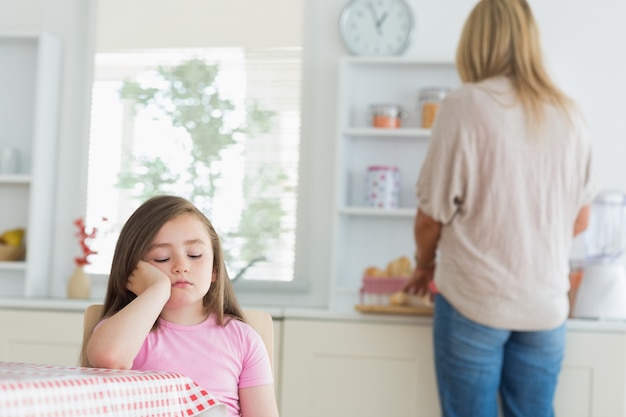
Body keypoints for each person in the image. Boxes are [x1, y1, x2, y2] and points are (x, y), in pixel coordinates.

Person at [402, 1, 596, 416]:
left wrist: (423, 265)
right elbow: (581, 217)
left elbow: (430, 217)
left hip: (474, 299)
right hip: (545, 306)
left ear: (475, 43)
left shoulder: (465, 104)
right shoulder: (570, 114)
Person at [85, 195, 279, 417]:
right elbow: (109, 357)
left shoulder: (243, 339)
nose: (181, 266)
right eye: (161, 258)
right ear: (133, 272)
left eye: (195, 255)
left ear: (215, 268)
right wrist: (157, 289)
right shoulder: (125, 333)